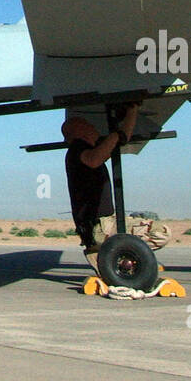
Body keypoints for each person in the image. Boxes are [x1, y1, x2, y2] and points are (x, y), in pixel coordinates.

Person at [62, 104, 169, 273]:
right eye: (90, 126)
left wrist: (131, 112)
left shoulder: (81, 152)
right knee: (161, 232)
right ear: (81, 132)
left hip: (94, 228)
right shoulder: (78, 148)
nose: (95, 129)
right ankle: (121, 255)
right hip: (102, 225)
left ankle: (105, 255)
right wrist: (114, 135)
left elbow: (120, 140)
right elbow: (94, 159)